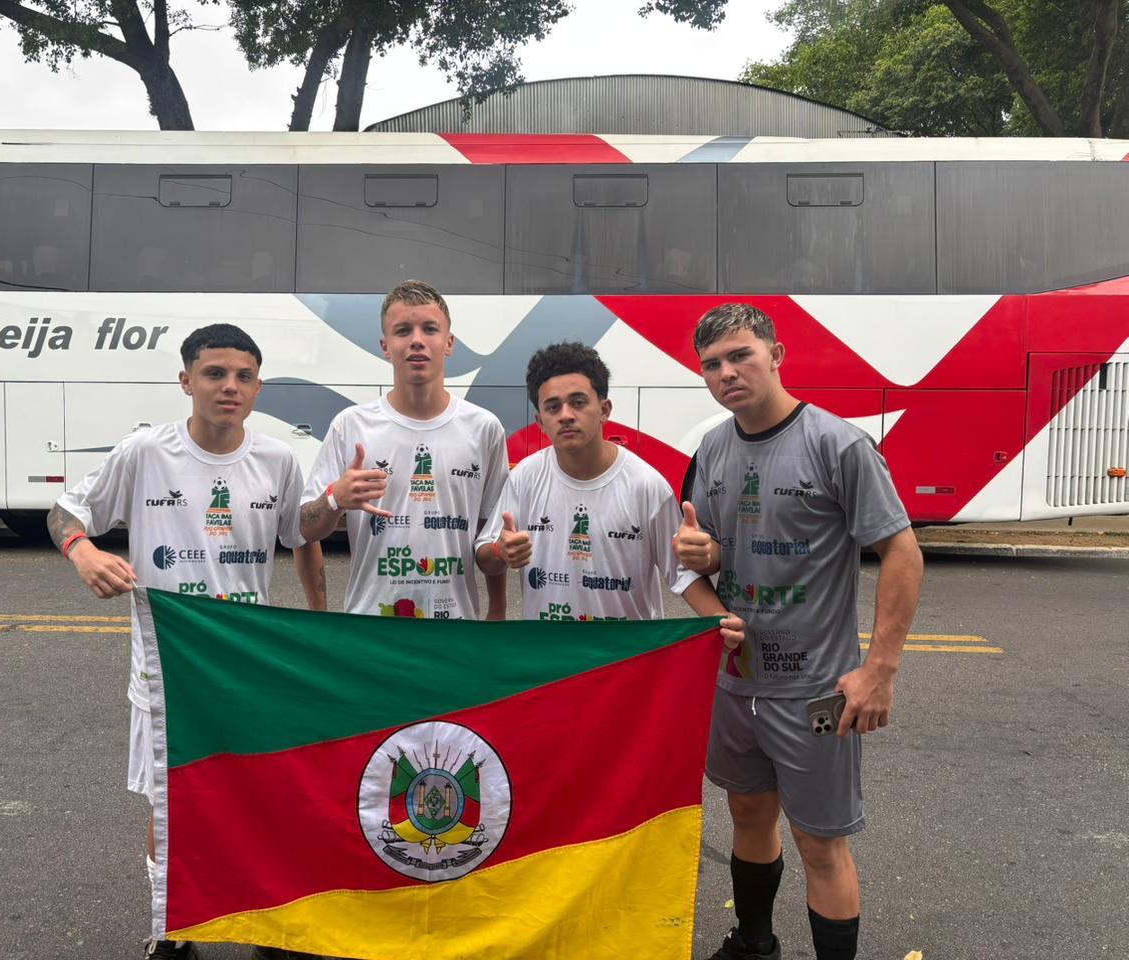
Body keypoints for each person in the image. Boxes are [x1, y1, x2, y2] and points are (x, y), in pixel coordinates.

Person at [47, 323, 326, 960]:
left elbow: (300, 532)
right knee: (171, 805)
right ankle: (169, 929)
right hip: (166, 668)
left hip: (248, 667)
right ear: (186, 381)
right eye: (215, 374)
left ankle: (265, 925)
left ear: (257, 387)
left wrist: (333, 504)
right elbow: (66, 511)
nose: (230, 387)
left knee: (261, 797)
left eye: (244, 376)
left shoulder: (279, 460)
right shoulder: (145, 453)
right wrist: (82, 549)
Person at [675, 303, 923, 960]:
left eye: (740, 355)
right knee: (749, 816)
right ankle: (754, 943)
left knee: (820, 842)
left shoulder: (837, 445)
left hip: (816, 692)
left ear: (776, 355)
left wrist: (880, 670)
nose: (727, 372)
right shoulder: (713, 450)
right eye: (712, 365)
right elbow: (725, 552)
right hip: (736, 684)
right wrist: (708, 558)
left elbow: (902, 552)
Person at [473, 341, 743, 639]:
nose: (565, 415)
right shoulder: (525, 477)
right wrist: (501, 550)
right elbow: (485, 556)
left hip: (623, 665)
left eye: (578, 402)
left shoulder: (646, 485)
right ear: (540, 421)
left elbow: (682, 573)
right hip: (548, 662)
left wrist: (720, 621)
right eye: (553, 407)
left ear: (604, 410)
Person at [299, 279, 508, 621]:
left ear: (449, 343)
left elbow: (492, 532)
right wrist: (335, 497)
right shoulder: (350, 425)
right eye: (402, 331)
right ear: (385, 346)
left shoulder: (484, 428)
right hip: (372, 628)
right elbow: (305, 530)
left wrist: (497, 610)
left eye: (429, 329)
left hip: (457, 626)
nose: (416, 341)